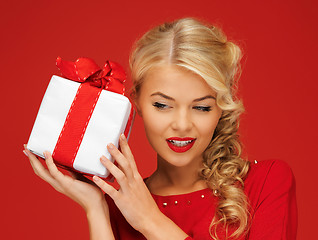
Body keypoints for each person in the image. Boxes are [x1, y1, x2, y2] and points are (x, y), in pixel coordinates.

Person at [23, 18, 297, 240]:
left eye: (201, 107)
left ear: (221, 108)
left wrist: (151, 222)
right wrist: (95, 208)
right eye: (163, 105)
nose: (181, 124)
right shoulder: (119, 206)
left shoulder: (266, 183)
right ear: (136, 104)